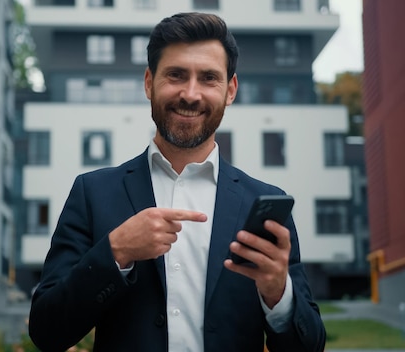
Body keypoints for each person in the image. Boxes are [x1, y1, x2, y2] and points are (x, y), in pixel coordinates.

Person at [28, 12, 326, 352]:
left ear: (230, 90)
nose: (190, 94)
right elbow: (46, 332)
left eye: (209, 78)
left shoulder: (265, 204)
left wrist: (278, 293)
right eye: (176, 75)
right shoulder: (93, 194)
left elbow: (310, 346)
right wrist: (116, 252)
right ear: (148, 82)